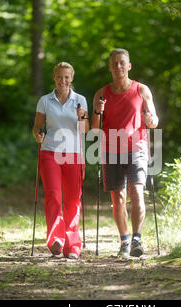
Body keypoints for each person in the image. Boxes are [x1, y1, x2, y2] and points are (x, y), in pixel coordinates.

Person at [91, 49, 159, 258]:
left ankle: (137, 238)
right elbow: (94, 128)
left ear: (129, 66)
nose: (118, 66)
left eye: (122, 63)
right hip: (111, 149)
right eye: (114, 64)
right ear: (110, 67)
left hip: (137, 147)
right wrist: (98, 111)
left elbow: (154, 120)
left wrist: (151, 121)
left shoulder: (141, 90)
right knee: (118, 197)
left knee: (136, 191)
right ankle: (124, 241)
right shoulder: (101, 94)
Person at [32, 62, 89, 259]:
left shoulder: (80, 100)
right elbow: (37, 127)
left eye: (66, 77)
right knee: (54, 195)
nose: (62, 81)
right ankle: (56, 239)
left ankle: (72, 245)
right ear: (54, 78)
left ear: (71, 78)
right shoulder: (45, 101)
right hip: (50, 152)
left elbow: (85, 131)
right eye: (59, 77)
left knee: (73, 199)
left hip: (74, 154)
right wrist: (38, 135)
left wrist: (82, 118)